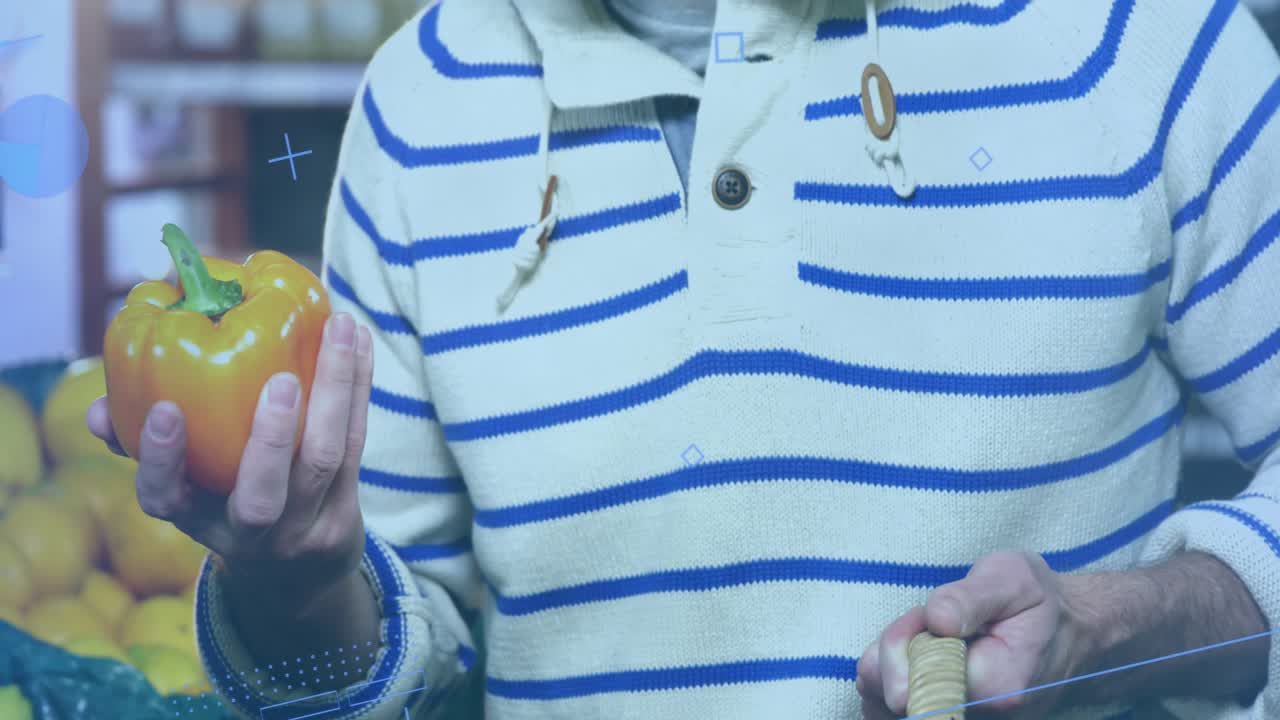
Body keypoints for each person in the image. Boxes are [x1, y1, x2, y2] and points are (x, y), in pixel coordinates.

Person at [88, 0, 1280, 718]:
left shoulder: (1136, 38)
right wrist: (292, 584)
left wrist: (1127, 625)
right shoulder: (422, 98)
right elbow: (410, 668)